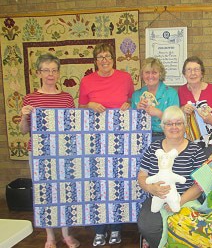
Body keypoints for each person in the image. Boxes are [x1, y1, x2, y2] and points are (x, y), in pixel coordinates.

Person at [20, 53, 80, 248]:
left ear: (58, 73)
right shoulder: (30, 99)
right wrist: (23, 117)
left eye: (54, 70)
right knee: (44, 192)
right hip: (39, 154)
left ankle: (66, 234)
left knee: (64, 191)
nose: (50, 74)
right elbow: (24, 130)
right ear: (39, 73)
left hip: (62, 153)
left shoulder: (66, 98)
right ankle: (50, 237)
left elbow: (73, 127)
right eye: (46, 70)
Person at [78, 43, 134, 246]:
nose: (104, 60)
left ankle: (117, 228)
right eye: (100, 57)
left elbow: (131, 100)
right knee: (97, 183)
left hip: (119, 140)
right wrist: (89, 105)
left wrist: (129, 104)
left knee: (118, 182)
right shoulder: (86, 81)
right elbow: (80, 108)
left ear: (113, 59)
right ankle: (99, 230)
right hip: (95, 141)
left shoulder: (125, 78)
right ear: (95, 61)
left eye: (107, 56)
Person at [137, 106, 207, 248]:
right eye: (169, 123)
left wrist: (179, 201)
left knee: (190, 229)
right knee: (148, 227)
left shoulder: (195, 150)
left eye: (178, 123)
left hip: (187, 199)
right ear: (163, 127)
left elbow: (200, 184)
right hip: (157, 198)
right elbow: (142, 175)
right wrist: (150, 188)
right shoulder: (153, 148)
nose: (174, 127)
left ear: (185, 126)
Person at [178, 56, 212, 155]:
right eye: (189, 70)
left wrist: (211, 121)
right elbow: (177, 116)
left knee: (207, 170)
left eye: (196, 69)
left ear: (202, 73)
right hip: (188, 142)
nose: (193, 73)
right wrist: (182, 109)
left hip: (209, 143)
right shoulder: (181, 91)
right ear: (184, 74)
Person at [131, 57, 179, 142]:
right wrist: (137, 112)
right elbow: (131, 124)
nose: (150, 76)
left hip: (166, 137)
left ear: (160, 74)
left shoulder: (171, 94)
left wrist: (159, 114)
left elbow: (177, 122)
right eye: (147, 72)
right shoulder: (136, 95)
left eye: (154, 73)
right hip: (141, 138)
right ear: (142, 74)